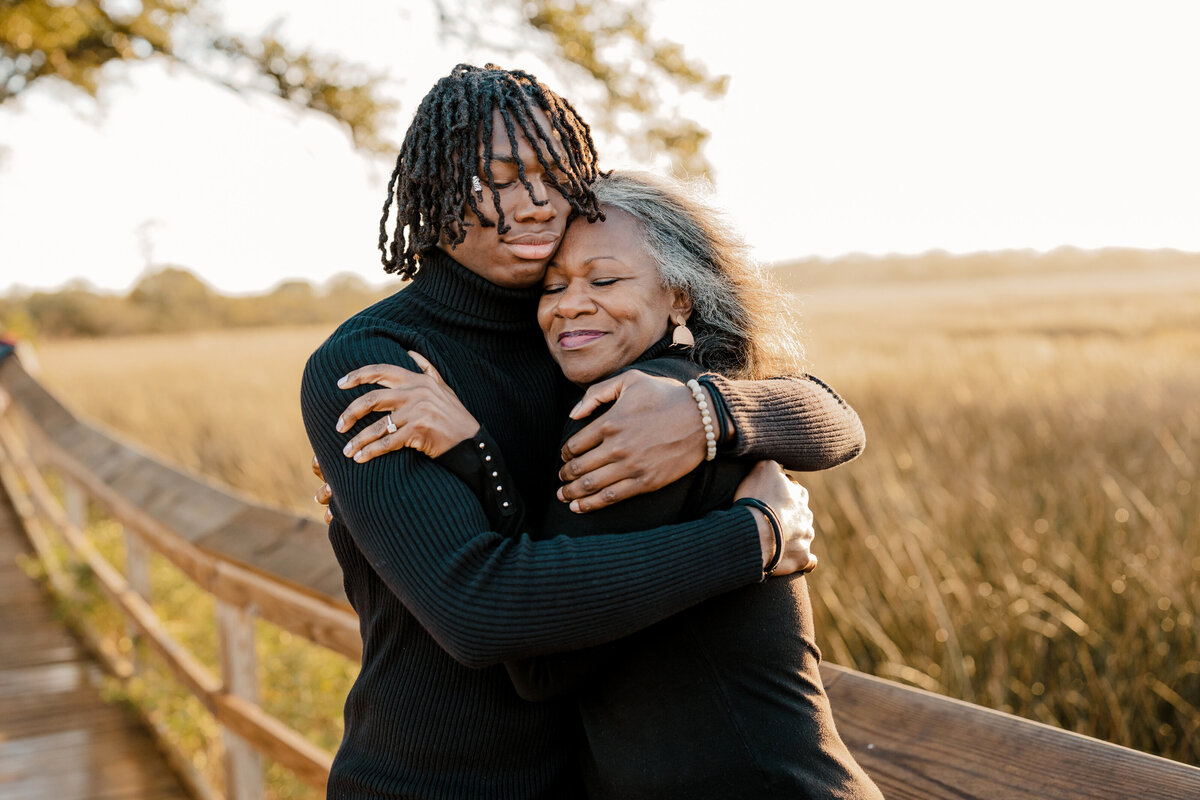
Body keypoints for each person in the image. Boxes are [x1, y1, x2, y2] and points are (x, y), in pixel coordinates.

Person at [301, 63, 864, 798]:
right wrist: (754, 538)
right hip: (434, 781)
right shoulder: (375, 360)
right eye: (499, 179)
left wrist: (714, 416)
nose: (534, 203)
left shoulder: (589, 342)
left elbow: (834, 420)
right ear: (432, 187)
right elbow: (479, 609)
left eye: (554, 176)